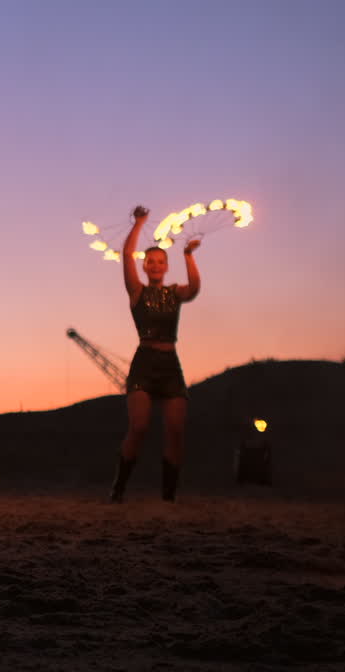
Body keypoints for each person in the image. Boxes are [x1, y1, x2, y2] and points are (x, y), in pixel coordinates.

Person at [109, 206, 201, 502]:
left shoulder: (176, 293)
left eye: (161, 261)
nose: (156, 265)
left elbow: (196, 288)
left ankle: (168, 497)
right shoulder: (136, 291)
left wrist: (189, 257)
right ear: (145, 266)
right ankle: (119, 489)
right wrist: (139, 224)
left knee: (175, 430)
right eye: (151, 261)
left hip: (170, 364)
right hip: (144, 364)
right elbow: (126, 256)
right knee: (139, 427)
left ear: (166, 266)